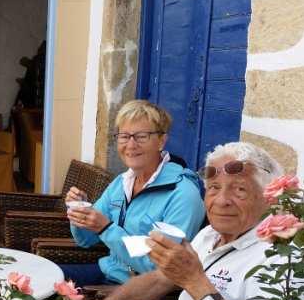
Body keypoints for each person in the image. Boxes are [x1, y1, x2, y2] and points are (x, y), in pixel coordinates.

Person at [65, 142, 303, 300]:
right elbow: (159, 280)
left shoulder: (280, 260)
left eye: (239, 190)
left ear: (268, 199)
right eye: (213, 188)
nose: (221, 201)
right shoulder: (209, 235)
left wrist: (197, 283)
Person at [64, 100, 205, 286]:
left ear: (161, 141)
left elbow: (162, 269)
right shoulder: (121, 182)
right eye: (124, 136)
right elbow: (85, 240)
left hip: (139, 291)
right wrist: (80, 212)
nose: (131, 144)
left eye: (141, 136)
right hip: (108, 270)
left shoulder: (183, 194)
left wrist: (106, 228)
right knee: (32, 281)